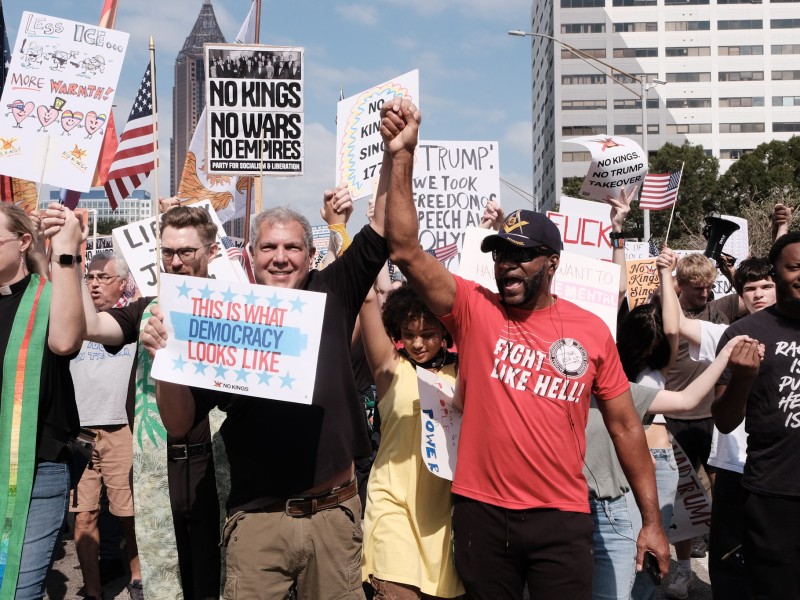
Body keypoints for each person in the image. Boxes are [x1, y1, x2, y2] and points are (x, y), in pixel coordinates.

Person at [379, 97, 668, 599]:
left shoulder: (591, 330)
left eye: (522, 256)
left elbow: (624, 426)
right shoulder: (473, 309)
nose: (507, 265)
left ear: (552, 263)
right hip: (480, 515)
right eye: (501, 255)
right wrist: (402, 155)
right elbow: (404, 248)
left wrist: (651, 520)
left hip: (562, 518)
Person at [143, 180, 388, 598]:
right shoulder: (227, 321)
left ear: (311, 256)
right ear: (250, 257)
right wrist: (164, 363)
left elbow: (384, 227)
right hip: (257, 522)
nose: (280, 258)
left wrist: (396, 151)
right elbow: (180, 422)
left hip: (333, 515)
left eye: (292, 248)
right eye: (268, 248)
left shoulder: (333, 292)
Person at [82, 206, 223, 600]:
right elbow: (90, 326)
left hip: (218, 464)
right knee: (167, 579)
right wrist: (68, 256)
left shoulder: (236, 307)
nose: (175, 261)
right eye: (168, 252)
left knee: (222, 578)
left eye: (187, 252)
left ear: (211, 252)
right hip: (159, 464)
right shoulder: (146, 310)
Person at [0, 203, 85, 598]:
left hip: (33, 472)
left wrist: (64, 248)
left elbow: (65, 342)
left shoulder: (49, 297)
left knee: (17, 590)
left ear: (23, 242)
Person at [359, 283, 464, 599]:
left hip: (444, 519)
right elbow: (365, 299)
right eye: (409, 333)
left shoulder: (465, 371)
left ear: (445, 330)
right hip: (392, 508)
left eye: (429, 333)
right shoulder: (390, 367)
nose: (418, 343)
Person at [712, 231, 800, 599]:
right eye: (794, 267)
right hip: (775, 494)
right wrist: (744, 379)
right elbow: (725, 420)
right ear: (778, 273)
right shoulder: (742, 334)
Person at [662, 251, 743, 598]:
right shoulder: (665, 308)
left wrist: (778, 230)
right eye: (697, 289)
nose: (705, 295)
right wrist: (664, 274)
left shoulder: (719, 311)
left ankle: (727, 563)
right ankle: (682, 570)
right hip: (673, 419)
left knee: (723, 495)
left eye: (709, 288)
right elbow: (670, 323)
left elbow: (758, 291)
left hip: (712, 419)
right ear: (679, 286)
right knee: (682, 500)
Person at [69, 252, 142, 600]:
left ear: (122, 283)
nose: (94, 283)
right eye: (90, 277)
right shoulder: (71, 319)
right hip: (80, 433)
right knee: (83, 517)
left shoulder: (135, 319)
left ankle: (138, 577)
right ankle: (94, 592)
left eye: (103, 277)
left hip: (120, 430)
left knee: (128, 513)